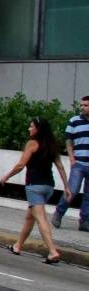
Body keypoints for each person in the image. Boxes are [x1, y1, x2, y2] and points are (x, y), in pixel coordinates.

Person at [2, 117, 71, 264]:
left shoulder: (32, 143)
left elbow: (21, 165)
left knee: (41, 219)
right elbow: (60, 167)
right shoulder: (51, 145)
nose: (29, 129)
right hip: (48, 187)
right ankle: (17, 246)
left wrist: (7, 176)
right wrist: (66, 187)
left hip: (34, 187)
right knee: (30, 217)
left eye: (31, 126)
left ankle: (52, 251)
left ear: (38, 129)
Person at [52, 95, 89, 232]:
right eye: (82, 105)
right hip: (78, 163)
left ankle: (84, 221)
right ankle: (59, 213)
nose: (82, 107)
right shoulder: (74, 121)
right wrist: (72, 158)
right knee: (72, 190)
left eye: (86, 105)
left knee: (88, 195)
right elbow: (68, 141)